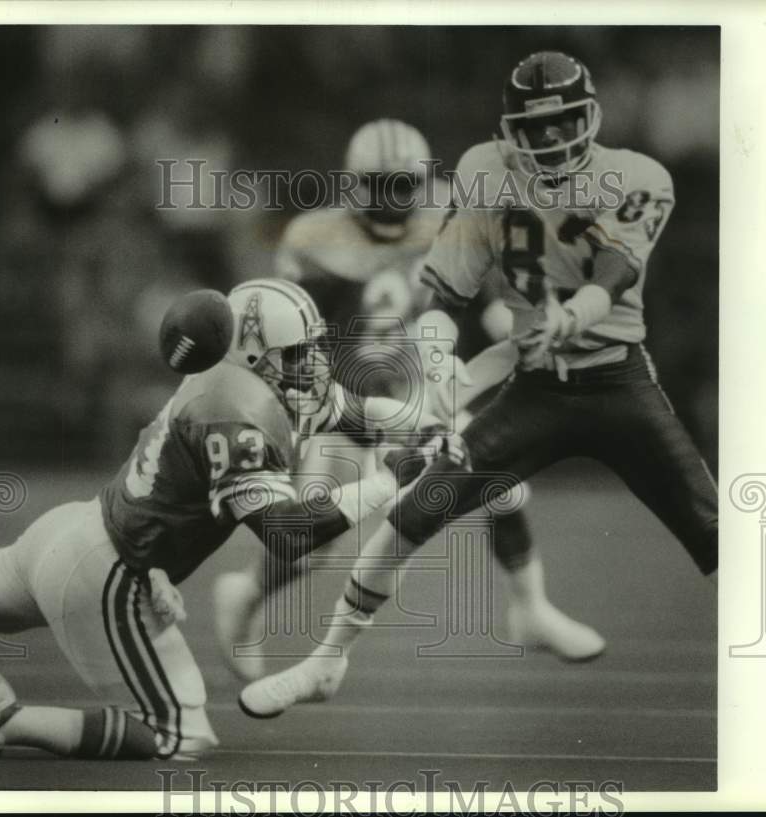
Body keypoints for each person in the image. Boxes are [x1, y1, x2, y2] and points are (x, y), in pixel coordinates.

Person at [239, 51, 719, 718]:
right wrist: (438, 362)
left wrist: (572, 313)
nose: (550, 140)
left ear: (591, 118)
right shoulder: (483, 171)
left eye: (564, 124)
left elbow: (616, 267)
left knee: (718, 530)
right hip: (530, 386)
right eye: (536, 127)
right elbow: (443, 292)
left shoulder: (637, 175)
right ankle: (326, 662)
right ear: (510, 130)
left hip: (617, 381)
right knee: (411, 514)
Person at [0, 279, 449, 760]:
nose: (314, 362)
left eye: (313, 347)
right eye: (297, 351)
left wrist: (427, 430)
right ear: (255, 355)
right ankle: (3, 721)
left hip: (73, 535)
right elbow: (288, 534)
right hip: (104, 574)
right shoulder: (237, 411)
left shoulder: (254, 384)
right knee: (178, 735)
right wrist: (386, 482)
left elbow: (357, 414)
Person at [212, 119, 604, 683]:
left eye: (404, 185)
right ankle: (245, 596)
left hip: (418, 391)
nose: (393, 199)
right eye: (381, 185)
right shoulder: (313, 237)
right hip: (341, 400)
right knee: (311, 543)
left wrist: (531, 337)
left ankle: (531, 609)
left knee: (504, 481)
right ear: (353, 182)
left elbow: (489, 301)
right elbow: (286, 335)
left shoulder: (451, 216)